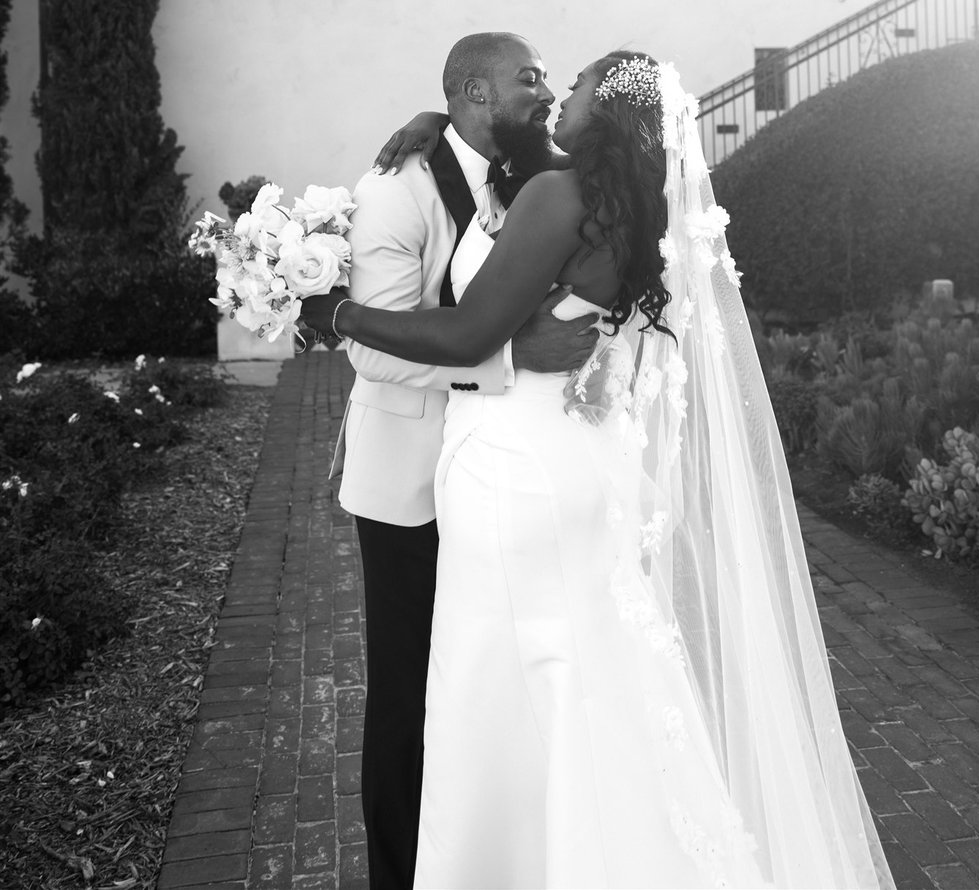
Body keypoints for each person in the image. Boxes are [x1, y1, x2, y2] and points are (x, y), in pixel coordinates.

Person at [303, 51, 896, 890]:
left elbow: (469, 336)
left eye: (572, 82)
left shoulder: (556, 193)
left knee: (493, 694)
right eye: (541, 78)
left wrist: (338, 314)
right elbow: (505, 165)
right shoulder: (622, 202)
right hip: (569, 465)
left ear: (604, 110)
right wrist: (438, 125)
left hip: (515, 471)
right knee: (574, 677)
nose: (556, 92)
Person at [316, 31, 600, 890]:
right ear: (476, 91)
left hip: (496, 472)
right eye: (528, 78)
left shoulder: (524, 169)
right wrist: (501, 358)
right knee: (407, 696)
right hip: (407, 477)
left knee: (481, 682)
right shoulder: (393, 188)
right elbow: (371, 346)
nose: (544, 91)